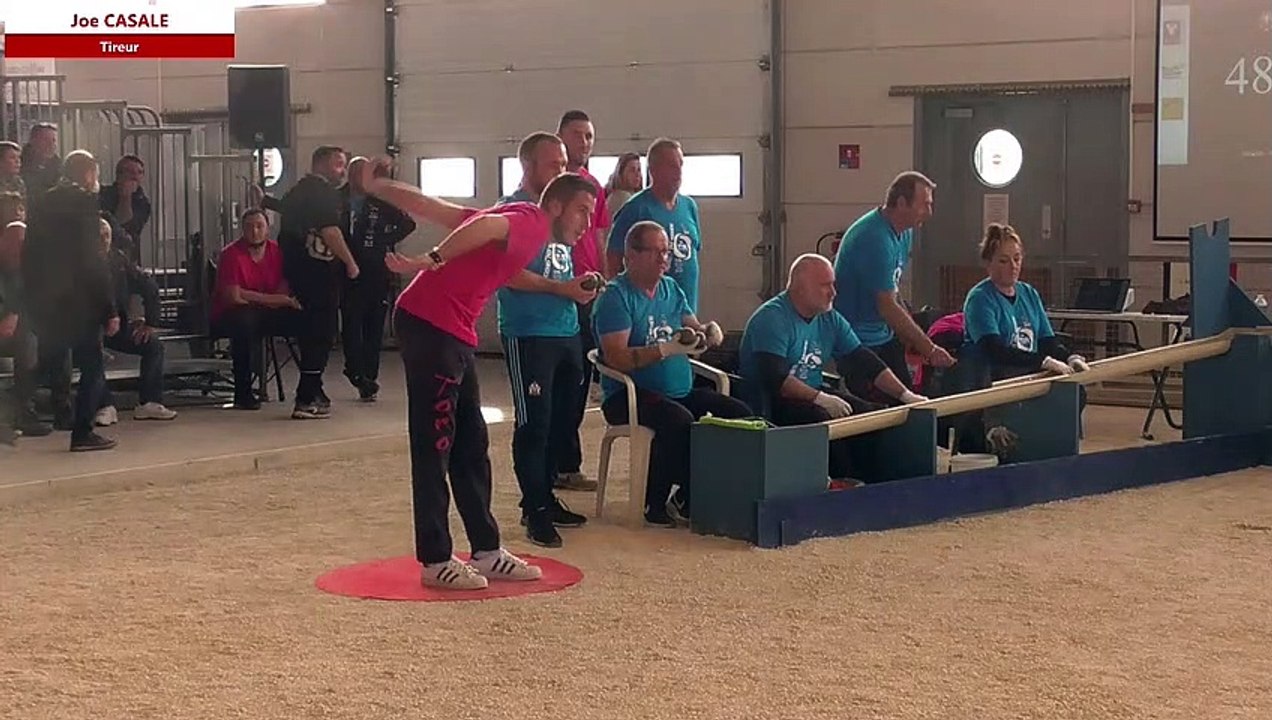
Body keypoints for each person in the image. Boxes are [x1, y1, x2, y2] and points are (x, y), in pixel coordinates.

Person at [362, 166, 600, 590]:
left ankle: (486, 550)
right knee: (436, 442)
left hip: (452, 329)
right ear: (557, 205)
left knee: (471, 441)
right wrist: (430, 259)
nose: (587, 223)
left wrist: (377, 187)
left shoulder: (522, 228)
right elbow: (487, 226)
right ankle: (435, 559)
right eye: (583, 211)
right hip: (430, 322)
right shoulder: (528, 221)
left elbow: (431, 207)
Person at [593, 220, 750, 526]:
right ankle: (655, 503)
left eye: (666, 252)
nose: (664, 259)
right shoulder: (616, 297)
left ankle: (694, 494)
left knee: (738, 412)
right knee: (678, 421)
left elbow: (692, 329)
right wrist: (665, 350)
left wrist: (707, 332)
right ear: (632, 255)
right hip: (629, 396)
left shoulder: (670, 288)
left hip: (679, 389)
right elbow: (617, 358)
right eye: (656, 252)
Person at [495, 132, 599, 546]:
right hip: (529, 332)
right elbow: (505, 274)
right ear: (528, 167)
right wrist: (561, 290)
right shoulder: (513, 214)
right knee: (534, 423)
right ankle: (534, 510)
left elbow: (560, 269)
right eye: (553, 164)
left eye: (563, 163)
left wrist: (582, 285)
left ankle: (545, 495)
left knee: (562, 420)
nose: (562, 169)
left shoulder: (564, 214)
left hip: (566, 329)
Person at [739, 254, 926, 482]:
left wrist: (906, 395)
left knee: (872, 417)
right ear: (800, 288)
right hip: (772, 402)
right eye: (825, 286)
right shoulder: (771, 319)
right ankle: (843, 487)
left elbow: (863, 360)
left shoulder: (830, 318)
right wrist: (820, 398)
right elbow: (775, 379)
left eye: (833, 285)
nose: (833, 293)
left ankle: (875, 487)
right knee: (825, 425)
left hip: (813, 393)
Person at [956, 223, 1090, 455]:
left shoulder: (1029, 293)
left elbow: (1047, 340)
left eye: (1017, 259)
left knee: (1077, 393)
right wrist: (1044, 362)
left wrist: (1070, 357)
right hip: (994, 380)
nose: (1013, 266)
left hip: (1028, 375)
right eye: (1004, 260)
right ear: (988, 263)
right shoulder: (980, 299)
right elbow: (994, 350)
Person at [22, 150, 119, 452]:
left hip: (49, 301)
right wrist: (109, 308)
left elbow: (30, 255)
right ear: (88, 173)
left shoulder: (41, 201)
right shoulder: (84, 204)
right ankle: (83, 432)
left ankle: (14, 408)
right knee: (93, 367)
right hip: (81, 303)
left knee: (48, 361)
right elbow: (92, 261)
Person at [254, 145, 359, 419]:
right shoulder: (323, 193)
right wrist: (349, 262)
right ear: (321, 164)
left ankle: (315, 390)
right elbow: (330, 230)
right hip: (318, 274)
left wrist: (265, 200)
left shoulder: (299, 189)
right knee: (320, 334)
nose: (342, 171)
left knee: (311, 333)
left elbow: (288, 210)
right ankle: (306, 397)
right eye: (338, 164)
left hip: (296, 273)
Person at [833, 170, 955, 403]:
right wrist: (928, 348)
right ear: (901, 203)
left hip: (882, 333)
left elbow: (893, 289)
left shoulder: (903, 232)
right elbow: (886, 306)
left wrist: (910, 332)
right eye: (925, 205)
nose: (929, 213)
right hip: (857, 338)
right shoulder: (875, 238)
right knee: (879, 405)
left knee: (907, 398)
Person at [554, 110, 612, 492]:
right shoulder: (553, 187)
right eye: (577, 135)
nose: (585, 142)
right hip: (560, 291)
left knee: (579, 379)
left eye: (590, 136)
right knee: (562, 378)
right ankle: (557, 463)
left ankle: (567, 463)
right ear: (561, 137)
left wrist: (608, 280)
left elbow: (601, 235)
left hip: (591, 290)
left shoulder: (593, 185)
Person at [340, 157, 416, 401]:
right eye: (356, 173)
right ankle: (354, 369)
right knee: (351, 322)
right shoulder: (337, 198)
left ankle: (369, 378)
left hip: (375, 269)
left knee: (373, 325)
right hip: (345, 269)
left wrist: (385, 239)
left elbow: (408, 223)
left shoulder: (380, 201)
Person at [211, 209, 302, 411]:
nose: (255, 231)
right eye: (249, 226)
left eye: (259, 226)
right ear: (242, 229)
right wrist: (276, 299)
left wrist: (260, 297)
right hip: (233, 313)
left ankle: (309, 386)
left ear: (268, 229)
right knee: (244, 323)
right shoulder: (231, 254)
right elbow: (233, 297)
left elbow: (282, 288)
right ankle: (243, 392)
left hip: (265, 310)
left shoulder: (276, 252)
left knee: (305, 319)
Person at [96, 216, 178, 424]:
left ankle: (149, 402)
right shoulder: (77, 263)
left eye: (106, 235)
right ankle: (105, 405)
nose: (102, 240)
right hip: (86, 327)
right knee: (91, 350)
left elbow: (149, 287)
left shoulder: (119, 260)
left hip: (116, 326)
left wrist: (150, 322)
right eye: (97, 236)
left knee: (153, 346)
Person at [606, 138, 702, 313]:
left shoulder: (689, 206)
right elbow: (613, 257)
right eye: (672, 166)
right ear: (654, 170)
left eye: (680, 165)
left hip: (684, 308)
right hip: (648, 311)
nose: (678, 172)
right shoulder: (635, 208)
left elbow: (693, 253)